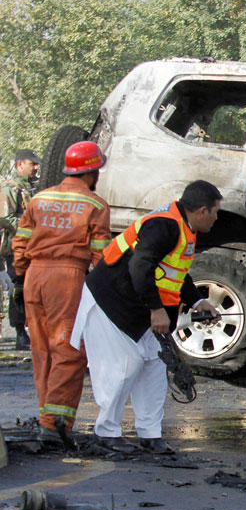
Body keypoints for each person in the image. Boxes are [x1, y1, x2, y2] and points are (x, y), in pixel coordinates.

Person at [70, 180, 221, 454]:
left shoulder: (183, 227)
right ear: (201, 211)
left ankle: (150, 434)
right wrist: (156, 309)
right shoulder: (163, 226)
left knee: (154, 365)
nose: (217, 218)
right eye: (215, 211)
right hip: (110, 301)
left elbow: (174, 272)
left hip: (136, 305)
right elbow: (140, 266)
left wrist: (198, 301)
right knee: (124, 366)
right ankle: (107, 433)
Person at [11, 141, 111, 443]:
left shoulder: (39, 199)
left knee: (42, 350)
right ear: (92, 171)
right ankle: (52, 422)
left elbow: (20, 242)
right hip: (66, 278)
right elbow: (100, 254)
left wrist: (20, 277)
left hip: (34, 276)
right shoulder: (95, 204)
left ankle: (56, 422)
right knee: (69, 350)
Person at [1, 148, 40, 349]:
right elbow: (5, 218)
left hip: (34, 248)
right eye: (32, 163)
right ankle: (19, 332)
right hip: (15, 248)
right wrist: (32, 227)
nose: (36, 167)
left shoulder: (34, 188)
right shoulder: (10, 188)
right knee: (18, 289)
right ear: (19, 165)